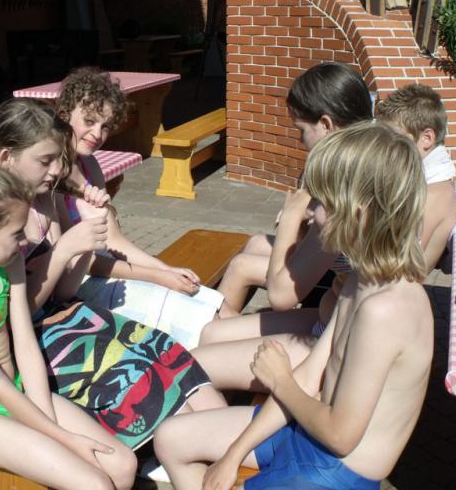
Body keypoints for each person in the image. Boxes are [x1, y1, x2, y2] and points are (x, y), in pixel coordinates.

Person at [153, 122, 434, 490]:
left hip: (332, 473)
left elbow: (341, 436)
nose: (311, 213)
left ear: (357, 212)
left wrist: (280, 381)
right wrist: (234, 454)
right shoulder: (361, 280)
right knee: (170, 438)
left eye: (321, 202)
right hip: (305, 430)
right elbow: (309, 374)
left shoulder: (388, 309)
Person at [0, 98, 227, 451]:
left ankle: (225, 445)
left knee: (169, 356)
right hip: (35, 338)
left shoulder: (45, 201)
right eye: (46, 161)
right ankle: (188, 453)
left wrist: (87, 243)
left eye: (58, 159)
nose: (56, 170)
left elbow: (63, 292)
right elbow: (15, 314)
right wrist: (64, 250)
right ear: (7, 158)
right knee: (142, 381)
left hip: (67, 315)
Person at [0, 155, 137, 490]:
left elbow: (24, 343)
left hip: (19, 389)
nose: (25, 242)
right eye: (17, 233)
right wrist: (63, 437)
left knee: (122, 465)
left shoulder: (8, 262)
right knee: (95, 483)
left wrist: (48, 418)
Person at [53, 67, 225, 347]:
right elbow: (79, 262)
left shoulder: (89, 164)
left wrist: (166, 269)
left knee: (210, 300)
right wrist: (158, 276)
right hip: (78, 284)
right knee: (200, 318)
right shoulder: (51, 175)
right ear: (64, 114)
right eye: (89, 121)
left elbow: (114, 240)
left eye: (105, 126)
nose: (97, 134)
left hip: (105, 268)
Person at [217, 62, 374, 317]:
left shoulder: (342, 184)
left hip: (343, 301)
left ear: (326, 124)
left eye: (301, 130)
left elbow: (281, 295)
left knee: (240, 267)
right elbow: (314, 241)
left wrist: (291, 216)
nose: (300, 140)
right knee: (256, 243)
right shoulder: (368, 156)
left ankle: (217, 325)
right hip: (342, 279)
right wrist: (301, 222)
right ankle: (228, 322)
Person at [376, 83, 456, 271]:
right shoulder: (427, 181)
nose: (385, 146)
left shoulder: (431, 195)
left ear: (426, 138)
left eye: (393, 138)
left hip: (396, 283)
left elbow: (400, 263)